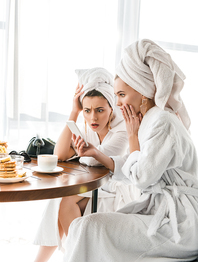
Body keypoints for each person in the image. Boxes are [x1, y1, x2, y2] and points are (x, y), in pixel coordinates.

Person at [63, 39, 198, 262]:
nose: (117, 103)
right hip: (161, 212)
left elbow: (142, 177)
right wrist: (95, 153)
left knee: (90, 227)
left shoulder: (162, 122)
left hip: (181, 224)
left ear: (143, 92)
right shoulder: (150, 121)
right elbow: (135, 165)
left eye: (122, 95)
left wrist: (133, 137)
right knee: (79, 226)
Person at [34, 67, 140, 262]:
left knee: (65, 201)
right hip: (93, 185)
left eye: (100, 110)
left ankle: (74, 255)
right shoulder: (84, 124)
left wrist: (82, 153)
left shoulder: (122, 129)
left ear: (111, 108)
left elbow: (93, 159)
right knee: (58, 201)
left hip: (118, 187)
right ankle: (62, 257)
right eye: (87, 110)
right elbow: (60, 154)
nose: (93, 118)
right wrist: (74, 112)